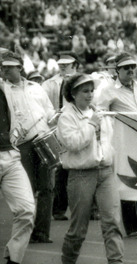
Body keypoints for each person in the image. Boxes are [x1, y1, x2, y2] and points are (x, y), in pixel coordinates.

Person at [56, 73, 124, 264]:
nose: (90, 94)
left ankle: (116, 261)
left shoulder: (98, 112)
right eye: (85, 91)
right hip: (81, 174)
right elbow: (74, 143)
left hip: (105, 172)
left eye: (92, 90)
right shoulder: (66, 116)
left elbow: (108, 143)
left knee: (112, 222)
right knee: (78, 229)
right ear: (73, 94)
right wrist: (92, 123)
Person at [97, 52, 137, 239]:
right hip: (122, 142)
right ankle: (132, 227)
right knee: (128, 181)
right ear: (117, 70)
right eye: (126, 68)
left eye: (133, 67)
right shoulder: (108, 90)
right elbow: (99, 112)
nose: (131, 70)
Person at [1, 51, 56, 243]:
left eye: (9, 66)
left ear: (20, 68)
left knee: (47, 187)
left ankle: (41, 232)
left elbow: (49, 112)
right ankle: (27, 232)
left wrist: (55, 121)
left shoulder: (36, 88)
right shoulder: (3, 90)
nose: (5, 69)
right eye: (3, 66)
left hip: (43, 139)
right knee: (28, 189)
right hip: (21, 145)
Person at [0, 70, 36, 264]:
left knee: (26, 210)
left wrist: (18, 129)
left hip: (10, 155)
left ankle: (13, 260)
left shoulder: (7, 88)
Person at [42, 52, 79, 222]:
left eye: (68, 63)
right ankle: (58, 209)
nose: (63, 66)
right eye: (61, 64)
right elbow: (45, 105)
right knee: (61, 169)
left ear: (75, 64)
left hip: (78, 127)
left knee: (83, 167)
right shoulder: (49, 84)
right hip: (58, 128)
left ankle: (87, 208)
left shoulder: (82, 80)